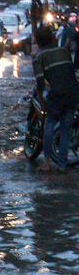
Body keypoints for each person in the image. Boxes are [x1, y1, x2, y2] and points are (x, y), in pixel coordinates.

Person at [33, 24, 79, 168]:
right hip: (73, 94)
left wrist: (42, 100)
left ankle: (46, 162)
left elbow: (40, 83)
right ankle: (62, 165)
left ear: (38, 42)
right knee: (66, 128)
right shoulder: (64, 51)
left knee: (50, 124)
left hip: (57, 95)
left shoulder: (39, 57)